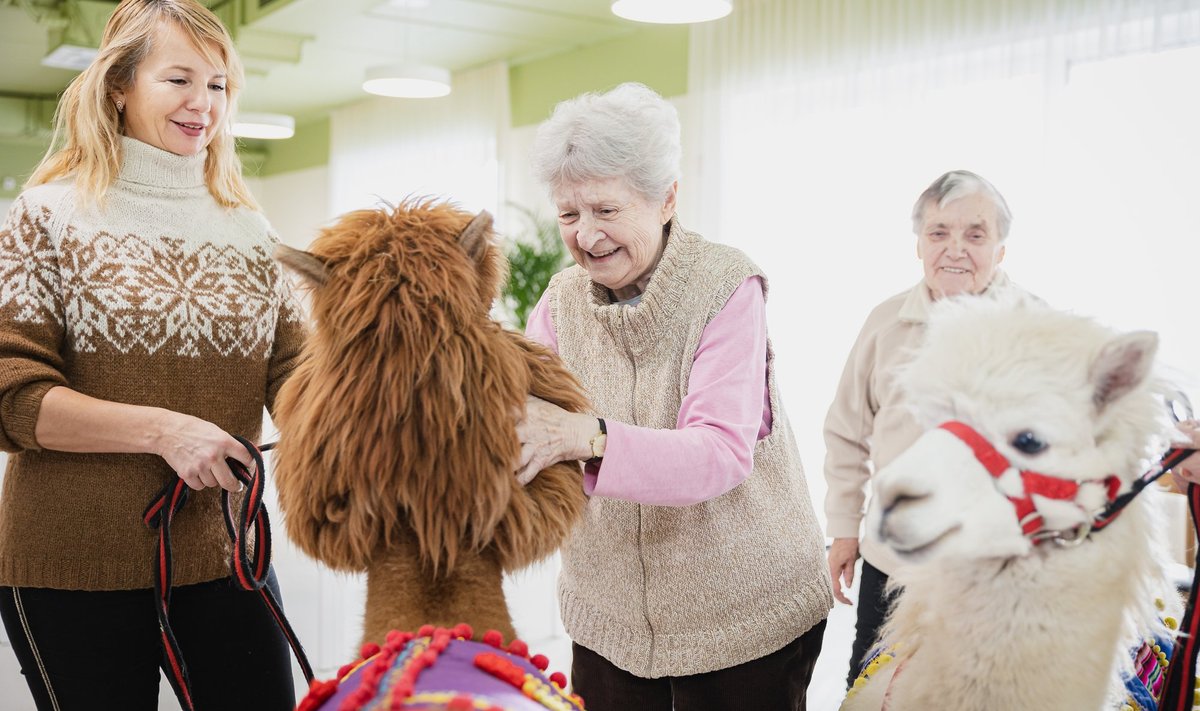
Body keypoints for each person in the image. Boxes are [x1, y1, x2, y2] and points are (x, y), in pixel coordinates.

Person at [0, 1, 304, 709]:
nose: (204, 103)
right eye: (179, 80)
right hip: (68, 562)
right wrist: (166, 431)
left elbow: (297, 376)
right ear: (119, 85)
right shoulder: (46, 214)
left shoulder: (251, 232)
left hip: (226, 554)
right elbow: (11, 393)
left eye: (219, 84)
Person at [514, 82, 832, 711]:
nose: (587, 236)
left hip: (744, 621)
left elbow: (717, 454)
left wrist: (587, 436)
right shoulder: (559, 301)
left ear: (666, 199)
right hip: (609, 624)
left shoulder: (725, 286)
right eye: (569, 216)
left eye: (606, 210)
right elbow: (520, 415)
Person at [823, 170, 1026, 687]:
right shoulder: (885, 322)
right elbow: (847, 431)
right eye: (939, 233)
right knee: (873, 689)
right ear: (919, 244)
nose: (954, 249)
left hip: (995, 567)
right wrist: (845, 528)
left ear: (1000, 249)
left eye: (975, 235)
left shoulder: (1035, 329)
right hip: (894, 560)